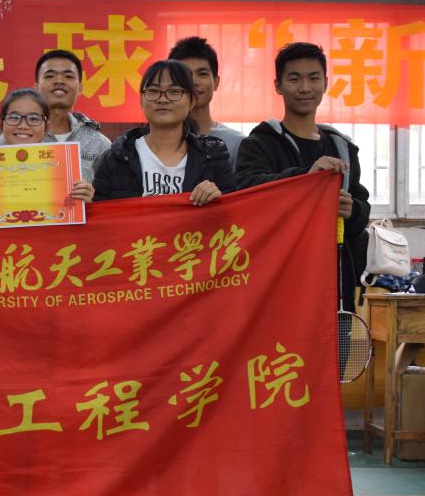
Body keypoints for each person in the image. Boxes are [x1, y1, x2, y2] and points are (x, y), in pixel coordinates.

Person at [234, 42, 370, 314]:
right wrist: (304, 180)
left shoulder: (342, 147)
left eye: (313, 78)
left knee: (335, 342)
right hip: (277, 280)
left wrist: (352, 210)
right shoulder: (259, 144)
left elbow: (361, 207)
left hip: (333, 282)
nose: (305, 88)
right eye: (294, 79)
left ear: (326, 83)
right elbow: (246, 195)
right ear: (278, 85)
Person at [92, 60, 234, 203]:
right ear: (141, 100)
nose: (162, 99)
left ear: (191, 101)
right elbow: (100, 212)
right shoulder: (115, 158)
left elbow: (231, 211)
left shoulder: (214, 158)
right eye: (153, 91)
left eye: (174, 92)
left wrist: (217, 198)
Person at [0, 88, 94, 204]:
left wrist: (85, 203)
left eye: (34, 119)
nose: (23, 125)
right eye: (14, 117)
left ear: (46, 127)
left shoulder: (65, 170)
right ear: (1, 124)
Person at [0, 50, 111, 182]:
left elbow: (111, 189)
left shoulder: (99, 143)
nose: (59, 81)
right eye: (50, 76)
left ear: (80, 88)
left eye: (68, 76)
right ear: (36, 87)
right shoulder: (15, 137)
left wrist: (92, 194)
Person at [168, 36, 245, 169]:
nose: (194, 81)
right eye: (186, 74)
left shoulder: (236, 143)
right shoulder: (157, 140)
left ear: (216, 82)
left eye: (202, 74)